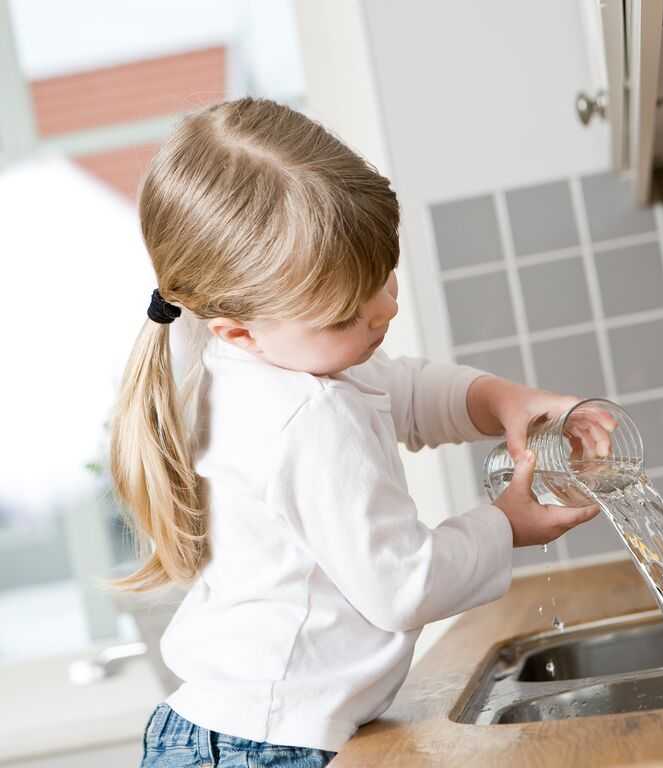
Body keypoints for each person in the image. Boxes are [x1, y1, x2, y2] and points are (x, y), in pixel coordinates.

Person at [111, 97, 606, 767]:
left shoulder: (258, 363)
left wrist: (498, 399)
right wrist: (505, 526)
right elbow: (403, 587)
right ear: (237, 325)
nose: (383, 311)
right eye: (347, 315)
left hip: (235, 733)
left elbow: (396, 389)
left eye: (382, 276)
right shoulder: (305, 419)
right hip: (262, 749)